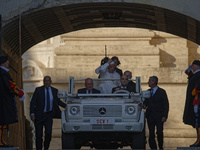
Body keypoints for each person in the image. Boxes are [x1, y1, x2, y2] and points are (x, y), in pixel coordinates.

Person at [30, 76, 66, 150]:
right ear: (43, 82)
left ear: (50, 82)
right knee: (38, 135)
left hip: (49, 115)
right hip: (39, 115)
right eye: (45, 81)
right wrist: (32, 113)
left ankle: (46, 148)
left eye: (48, 81)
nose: (47, 82)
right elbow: (32, 102)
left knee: (48, 133)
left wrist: (68, 106)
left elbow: (58, 102)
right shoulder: (38, 90)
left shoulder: (54, 91)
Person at [0, 56, 25, 147]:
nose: (8, 63)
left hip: (3, 100)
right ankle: (1, 140)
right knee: (3, 121)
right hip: (3, 101)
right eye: (6, 61)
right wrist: (20, 92)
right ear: (2, 63)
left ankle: (2, 140)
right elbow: (10, 86)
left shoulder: (3, 73)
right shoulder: (3, 73)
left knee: (4, 122)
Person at [143, 76, 169, 150]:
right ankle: (153, 148)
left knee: (159, 132)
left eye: (150, 80)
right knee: (151, 133)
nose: (148, 82)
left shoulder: (162, 92)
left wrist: (165, 116)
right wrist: (144, 105)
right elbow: (145, 102)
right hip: (150, 116)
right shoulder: (147, 92)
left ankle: (160, 147)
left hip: (159, 116)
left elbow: (166, 104)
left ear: (153, 82)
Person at [183, 60, 200, 147]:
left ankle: (199, 141)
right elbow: (187, 73)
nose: (192, 67)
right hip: (194, 101)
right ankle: (198, 139)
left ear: (198, 66)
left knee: (198, 121)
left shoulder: (198, 75)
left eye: (193, 66)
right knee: (196, 122)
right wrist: (189, 69)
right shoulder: (195, 75)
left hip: (197, 101)